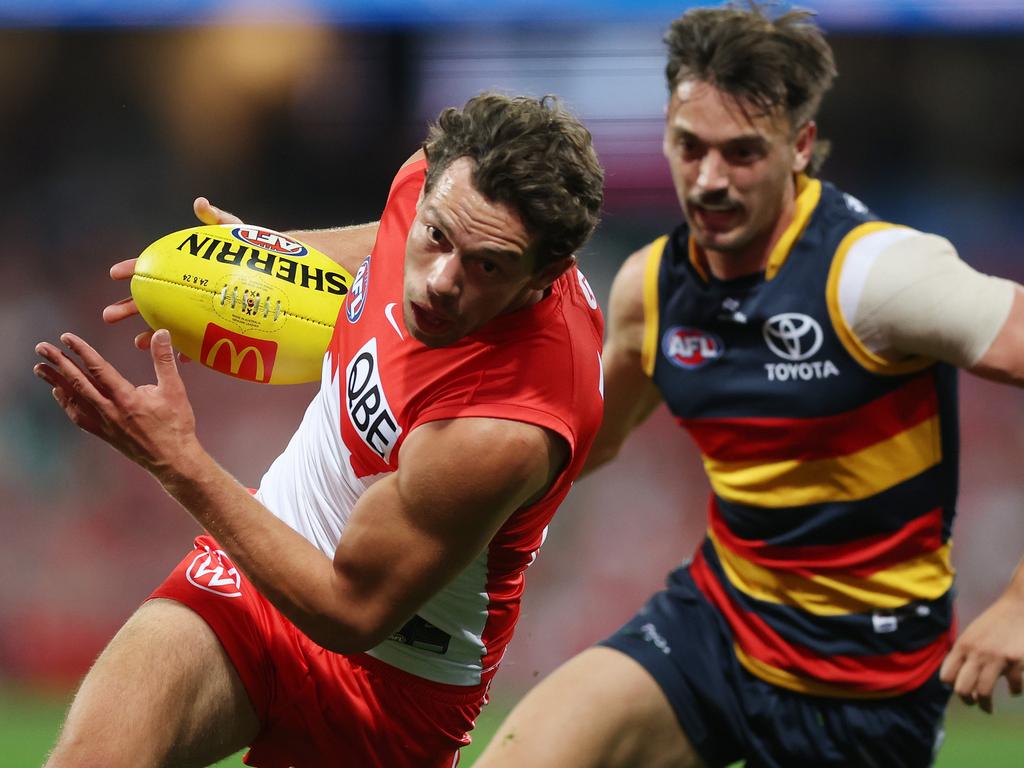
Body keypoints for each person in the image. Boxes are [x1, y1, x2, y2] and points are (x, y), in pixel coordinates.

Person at [476, 5, 1024, 768]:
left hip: (865, 684)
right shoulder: (654, 288)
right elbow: (578, 443)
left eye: (741, 153)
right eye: (688, 147)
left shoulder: (875, 275)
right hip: (719, 622)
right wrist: (460, 520)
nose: (708, 181)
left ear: (799, 146)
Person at [33, 92, 606, 768]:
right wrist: (263, 261)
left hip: (391, 687)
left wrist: (174, 460)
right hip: (256, 565)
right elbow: (389, 238)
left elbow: (350, 611)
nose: (442, 282)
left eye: (487, 266)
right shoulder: (437, 181)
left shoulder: (503, 426)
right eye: (438, 237)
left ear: (546, 274)